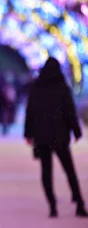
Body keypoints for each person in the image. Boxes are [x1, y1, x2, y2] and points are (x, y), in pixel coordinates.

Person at [24, 57, 88, 218]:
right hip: (60, 135)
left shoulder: (37, 86)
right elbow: (69, 111)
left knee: (46, 172)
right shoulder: (61, 87)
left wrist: (29, 133)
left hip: (42, 136)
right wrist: (76, 130)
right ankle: (79, 203)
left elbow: (30, 110)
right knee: (69, 170)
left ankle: (52, 205)